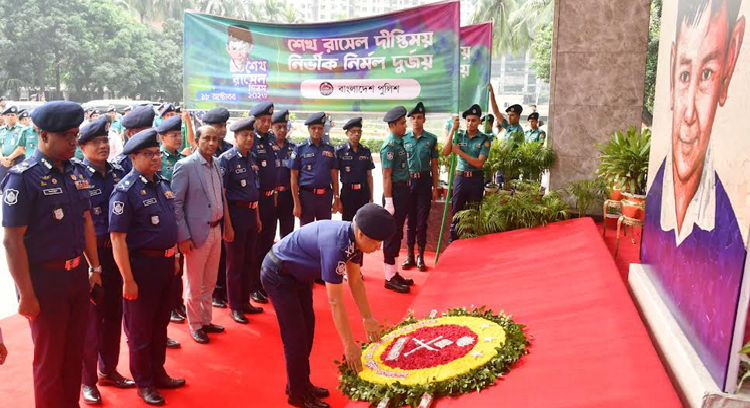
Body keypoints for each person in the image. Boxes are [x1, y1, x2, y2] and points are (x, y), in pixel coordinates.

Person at [642, 0, 746, 380]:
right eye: (685, 74)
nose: (688, 114)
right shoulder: (654, 204)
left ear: (730, 65)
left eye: (707, 74)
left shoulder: (731, 239)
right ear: (670, 70)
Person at [2, 101, 102, 408]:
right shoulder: (23, 178)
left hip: (75, 278)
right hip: (45, 283)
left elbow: (86, 221)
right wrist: (26, 294)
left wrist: (95, 267)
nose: (74, 141)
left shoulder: (76, 172)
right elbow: (12, 241)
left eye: (76, 134)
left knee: (74, 355)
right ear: (43, 136)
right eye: (67, 136)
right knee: (49, 361)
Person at [261, 203, 393, 408]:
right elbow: (335, 301)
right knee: (296, 336)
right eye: (376, 242)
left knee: (308, 330)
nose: (378, 248)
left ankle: (299, 383)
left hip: (299, 276)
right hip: (278, 274)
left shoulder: (354, 240)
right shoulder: (337, 245)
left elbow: (356, 281)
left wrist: (368, 317)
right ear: (361, 233)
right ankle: (297, 395)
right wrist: (349, 344)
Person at [109, 129, 186, 406]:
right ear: (133, 157)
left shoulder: (163, 184)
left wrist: (175, 255)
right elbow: (117, 239)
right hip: (142, 268)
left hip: (166, 265)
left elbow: (171, 224)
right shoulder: (124, 192)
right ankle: (144, 383)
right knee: (140, 332)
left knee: (160, 325)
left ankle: (158, 372)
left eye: (156, 153)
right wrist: (127, 279)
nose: (155, 158)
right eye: (148, 154)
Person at [76, 117, 134, 404]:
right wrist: (90, 264)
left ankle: (108, 369)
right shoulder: (77, 174)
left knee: (114, 315)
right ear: (83, 146)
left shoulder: (117, 172)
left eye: (105, 140)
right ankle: (87, 381)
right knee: (91, 322)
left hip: (115, 254)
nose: (102, 146)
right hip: (92, 256)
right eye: (96, 142)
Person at [172, 125, 234, 344]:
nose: (211, 143)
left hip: (216, 230)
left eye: (214, 139)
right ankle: (195, 324)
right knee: (194, 283)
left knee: (210, 280)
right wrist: (183, 237)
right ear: (196, 140)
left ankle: (206, 320)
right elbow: (176, 204)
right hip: (196, 235)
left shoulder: (217, 164)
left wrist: (227, 225)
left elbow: (221, 197)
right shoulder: (185, 166)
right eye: (206, 138)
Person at [219, 117, 265, 324]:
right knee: (235, 264)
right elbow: (223, 195)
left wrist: (256, 216)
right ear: (235, 137)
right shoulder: (226, 160)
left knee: (249, 260)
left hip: (250, 215)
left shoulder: (252, 158)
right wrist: (227, 225)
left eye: (251, 135)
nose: (249, 138)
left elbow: (254, 190)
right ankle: (235, 305)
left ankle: (245, 301)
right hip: (235, 216)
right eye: (244, 135)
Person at [156, 116, 189, 326]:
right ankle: (168, 306)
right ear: (162, 137)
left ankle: (177, 302)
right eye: (173, 135)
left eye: (179, 135)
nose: (178, 139)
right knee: (168, 265)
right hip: (164, 216)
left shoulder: (181, 158)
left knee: (180, 263)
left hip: (180, 215)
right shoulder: (158, 159)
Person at [443, 104, 492, 243]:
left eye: (474, 120)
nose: (470, 123)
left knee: (473, 212)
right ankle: (453, 241)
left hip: (476, 179)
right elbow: (445, 152)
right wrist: (452, 129)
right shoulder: (459, 136)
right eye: (468, 120)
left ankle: (471, 242)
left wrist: (459, 152)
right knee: (456, 211)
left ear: (479, 122)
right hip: (460, 178)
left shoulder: (484, 139)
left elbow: (479, 163)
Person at [379, 106, 413, 293]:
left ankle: (394, 272)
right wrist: (389, 201)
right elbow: (386, 175)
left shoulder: (399, 142)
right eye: (401, 123)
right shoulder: (390, 145)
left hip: (403, 192)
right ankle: (388, 277)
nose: (405, 125)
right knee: (391, 235)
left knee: (398, 233)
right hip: (395, 194)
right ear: (392, 125)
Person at [401, 102, 438, 272]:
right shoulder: (403, 139)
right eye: (413, 118)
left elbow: (434, 165)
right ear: (410, 120)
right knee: (411, 221)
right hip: (408, 183)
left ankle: (421, 256)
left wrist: (435, 187)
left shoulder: (431, 139)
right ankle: (409, 255)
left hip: (424, 183)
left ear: (424, 119)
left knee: (422, 222)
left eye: (419, 118)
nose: (416, 120)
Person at [249, 102, 278, 303]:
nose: (266, 124)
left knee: (268, 244)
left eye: (269, 121)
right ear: (255, 121)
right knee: (256, 247)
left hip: (271, 199)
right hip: (257, 201)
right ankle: (253, 286)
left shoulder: (272, 140)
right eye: (263, 121)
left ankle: (263, 282)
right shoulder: (251, 142)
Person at [291, 112, 340, 227]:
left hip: (326, 196)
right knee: (306, 232)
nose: (317, 131)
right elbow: (293, 177)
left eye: (320, 128)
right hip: (307, 197)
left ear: (323, 129)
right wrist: (296, 203)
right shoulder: (300, 148)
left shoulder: (330, 148)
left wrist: (336, 197)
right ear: (308, 129)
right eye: (314, 128)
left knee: (324, 231)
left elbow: (334, 175)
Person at [335, 117, 374, 221]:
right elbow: (334, 176)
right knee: (347, 223)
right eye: (353, 132)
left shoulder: (366, 151)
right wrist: (337, 198)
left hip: (363, 192)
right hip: (348, 193)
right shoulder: (340, 151)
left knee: (363, 222)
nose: (356, 134)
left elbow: (369, 175)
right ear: (346, 133)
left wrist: (371, 197)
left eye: (359, 131)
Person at [270, 109, 296, 238]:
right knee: (269, 232)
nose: (282, 130)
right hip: (270, 197)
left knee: (287, 232)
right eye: (278, 127)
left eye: (284, 127)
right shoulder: (266, 147)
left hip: (287, 195)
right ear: (271, 127)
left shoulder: (293, 147)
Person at [113, 105, 156, 174]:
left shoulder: (158, 157)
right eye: (142, 133)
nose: (147, 137)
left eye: (150, 133)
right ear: (129, 134)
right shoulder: (120, 164)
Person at [0, 105, 26, 182]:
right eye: (8, 115)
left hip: (18, 160)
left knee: (17, 184)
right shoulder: (1, 130)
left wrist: (10, 158)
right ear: (4, 116)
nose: (10, 117)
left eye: (12, 115)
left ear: (17, 116)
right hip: (3, 161)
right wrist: (3, 159)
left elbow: (22, 147)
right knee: (3, 184)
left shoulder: (23, 129)